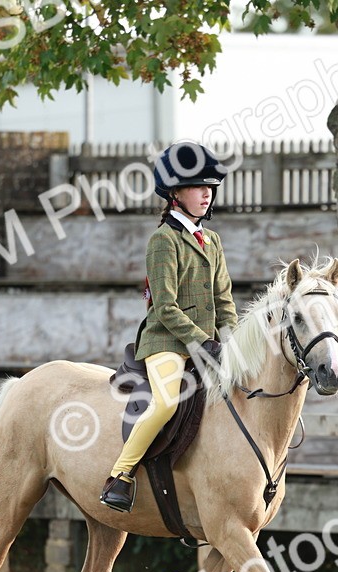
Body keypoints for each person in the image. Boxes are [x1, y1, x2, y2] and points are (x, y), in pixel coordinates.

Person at [99, 141, 238, 513]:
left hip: (206, 342)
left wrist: (234, 340)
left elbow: (224, 300)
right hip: (167, 341)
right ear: (176, 194)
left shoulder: (212, 241)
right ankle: (120, 476)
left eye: (210, 186)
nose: (207, 192)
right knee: (164, 403)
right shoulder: (163, 241)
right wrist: (200, 342)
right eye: (197, 186)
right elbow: (165, 306)